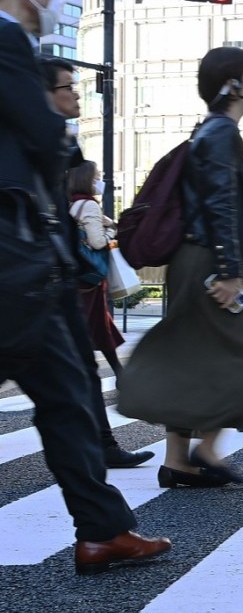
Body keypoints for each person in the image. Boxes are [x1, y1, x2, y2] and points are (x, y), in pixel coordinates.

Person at [0, 0, 170, 572]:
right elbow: (44, 140)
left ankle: (103, 529)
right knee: (66, 394)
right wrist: (58, 131)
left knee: (68, 394)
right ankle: (102, 529)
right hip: (14, 260)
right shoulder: (7, 40)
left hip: (24, 261)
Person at [124, 46, 243, 489]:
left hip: (196, 258)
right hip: (212, 262)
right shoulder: (222, 134)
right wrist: (232, 270)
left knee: (193, 355)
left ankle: (179, 463)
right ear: (232, 86)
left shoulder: (206, 132)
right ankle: (207, 448)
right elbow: (221, 205)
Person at [42, 59, 152, 469]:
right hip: (38, 282)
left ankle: (101, 453)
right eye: (67, 87)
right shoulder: (25, 144)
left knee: (79, 373)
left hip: (61, 281)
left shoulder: (63, 143)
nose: (76, 94)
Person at [66, 160, 127, 378]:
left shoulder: (70, 203)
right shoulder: (89, 205)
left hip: (76, 275)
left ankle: (119, 373)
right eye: (96, 177)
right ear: (86, 180)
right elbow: (98, 242)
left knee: (98, 325)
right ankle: (112, 374)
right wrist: (113, 234)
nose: (99, 181)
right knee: (93, 326)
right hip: (90, 277)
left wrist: (107, 221)